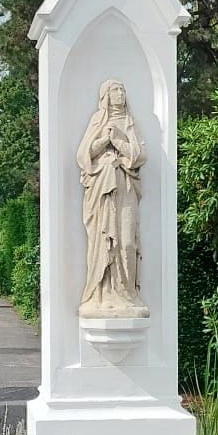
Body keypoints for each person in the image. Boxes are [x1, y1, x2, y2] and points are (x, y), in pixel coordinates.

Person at [76, 80, 148, 316]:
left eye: (122, 90)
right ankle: (103, 294)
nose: (120, 93)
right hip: (102, 191)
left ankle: (127, 295)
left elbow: (140, 155)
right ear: (106, 95)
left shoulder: (129, 122)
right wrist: (104, 141)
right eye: (115, 90)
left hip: (125, 188)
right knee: (103, 240)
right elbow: (84, 155)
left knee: (126, 242)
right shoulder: (98, 120)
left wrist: (118, 141)